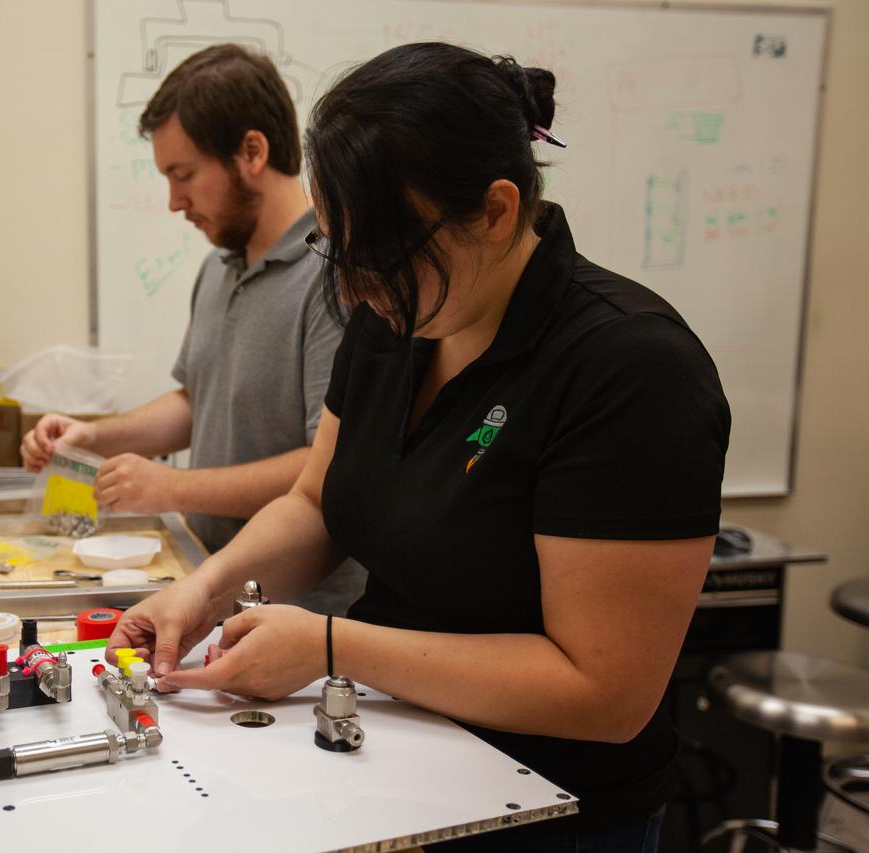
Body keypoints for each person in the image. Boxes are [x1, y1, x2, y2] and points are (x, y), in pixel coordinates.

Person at [105, 42, 730, 852]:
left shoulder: (630, 366)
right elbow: (317, 502)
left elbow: (603, 691)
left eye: (379, 256)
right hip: (393, 767)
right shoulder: (393, 318)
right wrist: (206, 590)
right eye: (338, 250)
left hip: (549, 812)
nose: (353, 288)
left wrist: (331, 644)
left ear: (496, 211)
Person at [22, 44, 364, 614]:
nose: (174, 202)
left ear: (252, 152)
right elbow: (196, 401)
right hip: (208, 589)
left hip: (298, 613)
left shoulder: (335, 277)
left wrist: (172, 487)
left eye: (184, 175)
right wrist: (94, 436)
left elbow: (324, 465)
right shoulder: (219, 267)